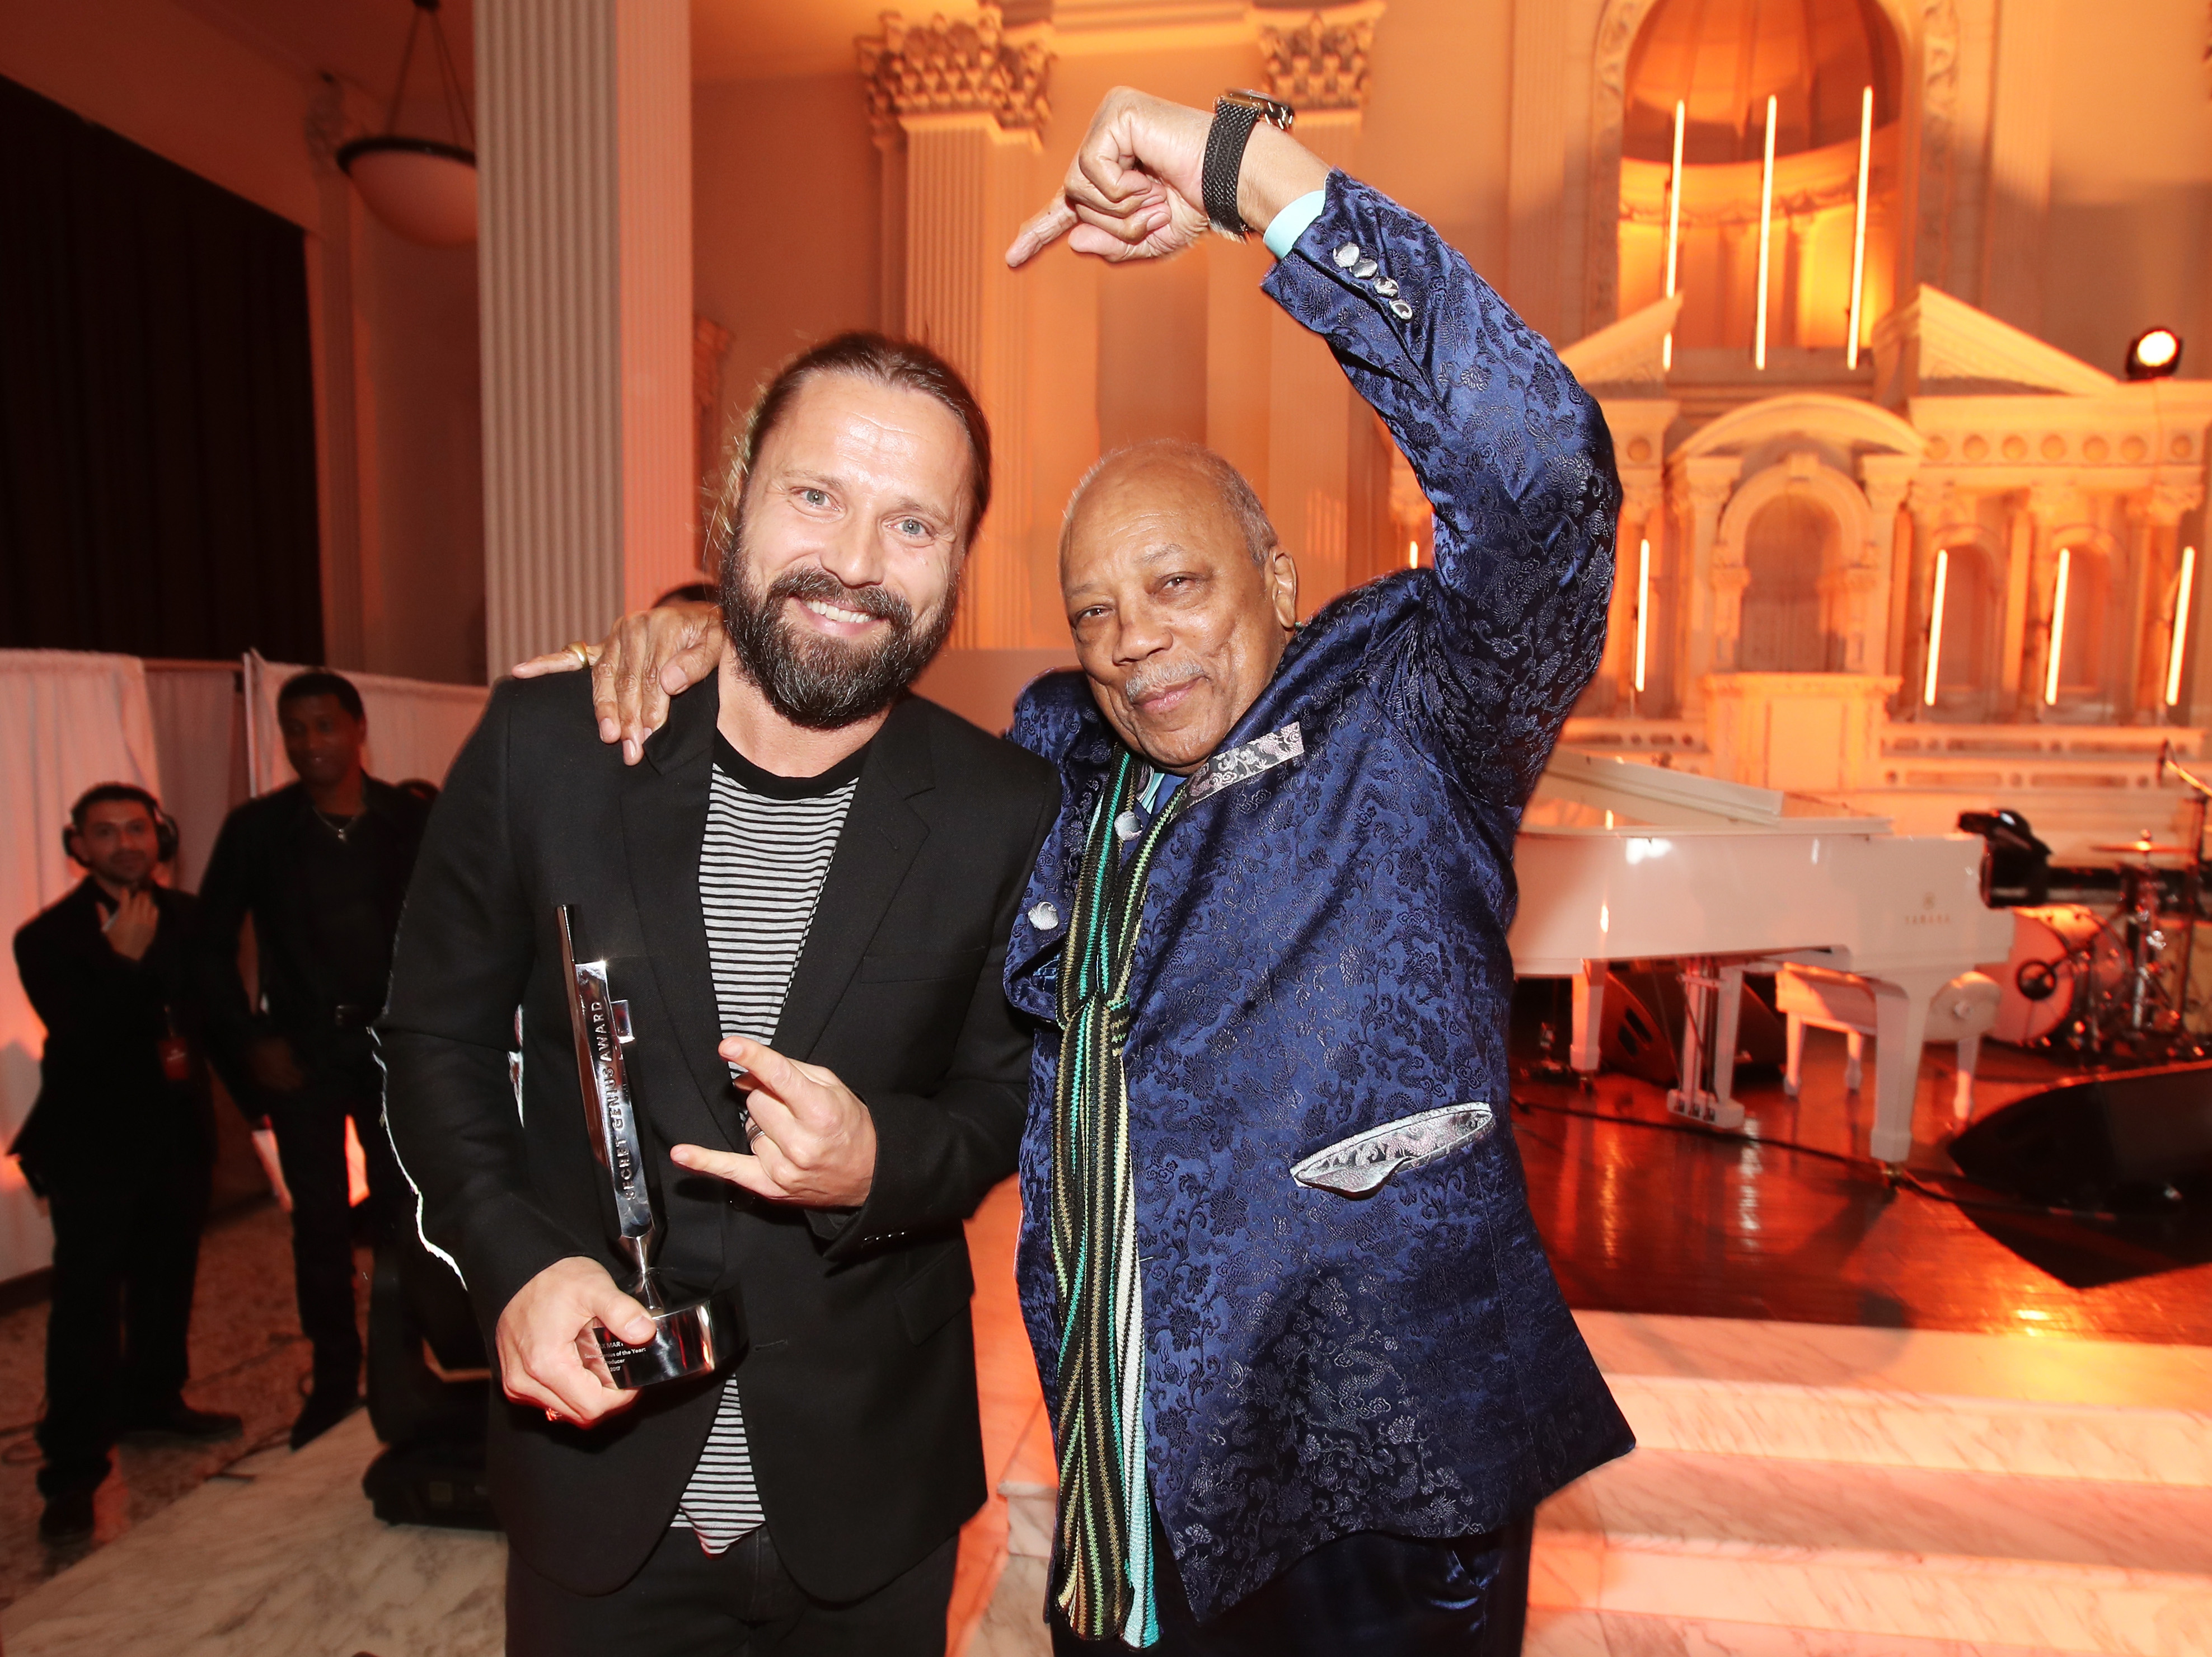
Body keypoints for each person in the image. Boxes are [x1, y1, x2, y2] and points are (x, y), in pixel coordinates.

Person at [559, 85, 1637, 1654]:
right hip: (1126, 1465)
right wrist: (722, 637)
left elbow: (1544, 478)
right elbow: (882, 765)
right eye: (1094, 612)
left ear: (1274, 572)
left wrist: (1242, 176)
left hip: (1380, 1469)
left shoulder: (1416, 714)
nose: (1136, 641)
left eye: (1179, 582)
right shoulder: (1059, 760)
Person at [382, 332, 1059, 1655]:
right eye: (816, 496)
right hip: (596, 1486)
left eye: (913, 522)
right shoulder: (543, 748)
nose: (857, 561)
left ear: (960, 563)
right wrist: (511, 1267)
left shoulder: (1006, 810)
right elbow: (433, 1039)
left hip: (871, 1509)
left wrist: (881, 1160)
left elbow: (996, 1101)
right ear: (734, 497)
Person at [190, 670, 432, 1448]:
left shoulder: (408, 820)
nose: (309, 744)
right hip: (302, 1054)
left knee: (406, 1216)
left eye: (324, 726)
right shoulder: (256, 831)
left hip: (393, 1050)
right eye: (294, 730)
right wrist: (250, 1040)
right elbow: (208, 946)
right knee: (320, 1225)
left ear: (358, 730)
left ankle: (407, 1365)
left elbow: (458, 927)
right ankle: (332, 1380)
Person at [12, 784, 242, 1543]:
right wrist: (125, 964)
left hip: (175, 1136)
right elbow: (81, 1038)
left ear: (161, 835)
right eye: (104, 833)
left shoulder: (188, 917)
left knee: (167, 1281)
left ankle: (154, 1402)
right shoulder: (43, 938)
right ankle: (72, 1474)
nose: (124, 844)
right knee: (85, 1309)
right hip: (90, 1146)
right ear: (78, 845)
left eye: (136, 829)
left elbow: (211, 1017)